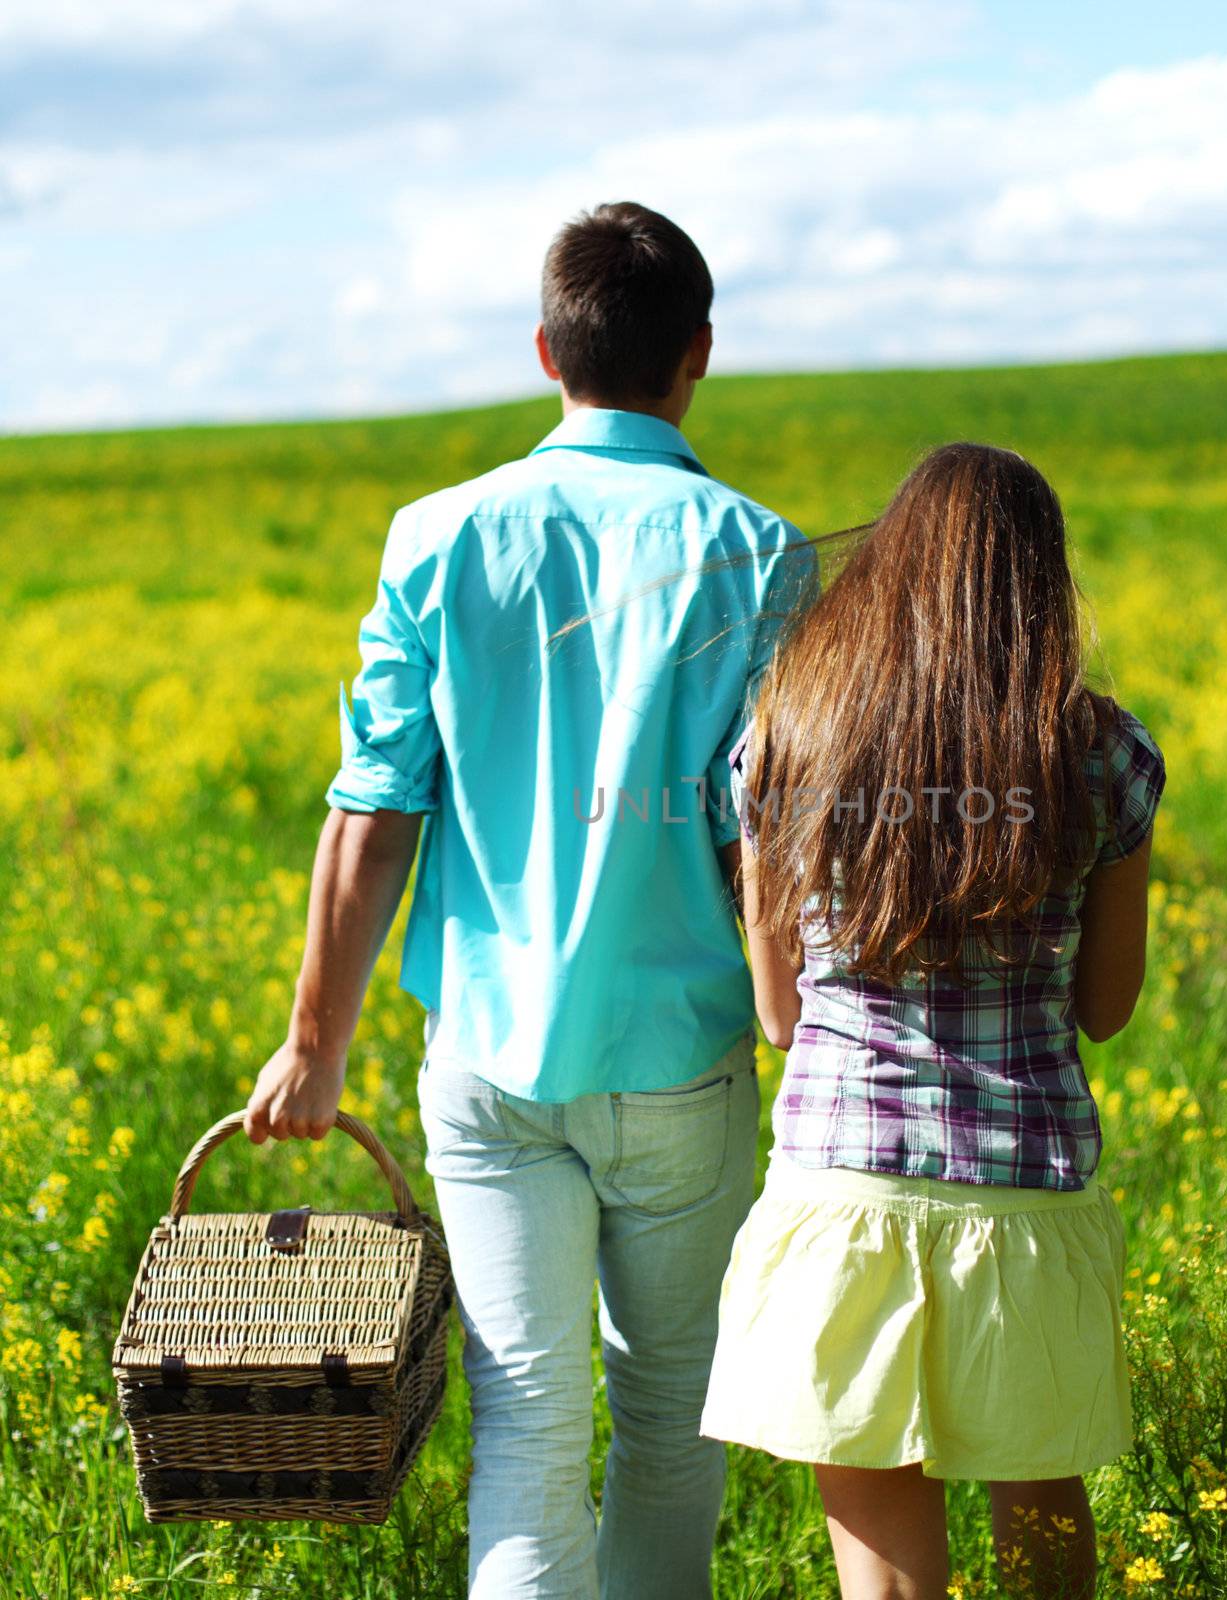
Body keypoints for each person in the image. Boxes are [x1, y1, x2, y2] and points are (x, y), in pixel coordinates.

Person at [245, 201, 817, 1600]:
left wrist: (315, 1044)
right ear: (699, 356)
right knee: (672, 1424)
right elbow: (776, 835)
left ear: (545, 349)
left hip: (490, 1067)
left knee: (527, 1430)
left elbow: (373, 803)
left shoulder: (434, 535)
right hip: (685, 1057)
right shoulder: (764, 553)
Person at [700, 443, 1165, 1600]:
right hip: (1024, 1194)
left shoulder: (789, 735)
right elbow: (1104, 1009)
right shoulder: (1100, 751)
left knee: (882, 1557)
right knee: (1042, 1519)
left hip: (842, 1195)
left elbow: (775, 1012)